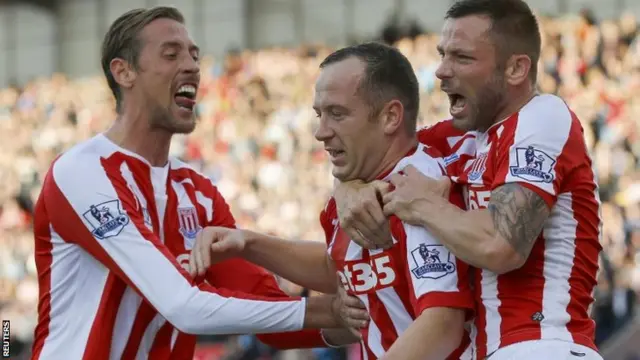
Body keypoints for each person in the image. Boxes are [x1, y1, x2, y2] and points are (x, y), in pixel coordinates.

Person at [29, 7, 351, 359]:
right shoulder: (81, 172)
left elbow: (266, 311)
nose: (192, 66)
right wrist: (330, 311)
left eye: (194, 55)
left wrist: (365, 313)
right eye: (172, 54)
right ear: (123, 72)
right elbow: (182, 304)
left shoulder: (198, 191)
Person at [333, 1, 604, 359]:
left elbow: (501, 245)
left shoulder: (543, 116)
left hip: (544, 344)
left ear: (516, 68)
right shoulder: (459, 139)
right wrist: (348, 188)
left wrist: (424, 204)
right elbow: (370, 154)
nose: (442, 71)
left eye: (462, 58)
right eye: (442, 55)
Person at [189, 42, 474, 360]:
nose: (321, 132)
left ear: (390, 116)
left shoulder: (417, 188)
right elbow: (336, 265)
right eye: (319, 115)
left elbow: (443, 322)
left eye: (337, 114)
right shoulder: (358, 187)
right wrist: (249, 243)